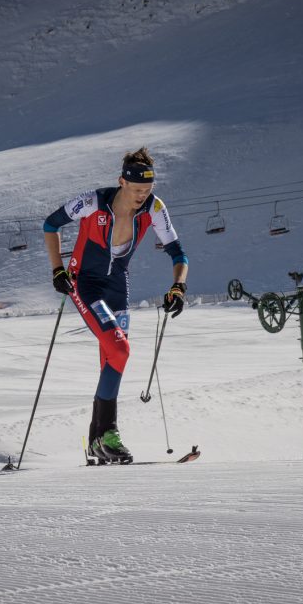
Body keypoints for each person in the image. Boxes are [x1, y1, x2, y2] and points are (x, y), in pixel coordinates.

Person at [42, 147, 189, 464]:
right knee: (120, 349)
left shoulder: (155, 207)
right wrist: (57, 269)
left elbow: (178, 254)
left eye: (147, 190)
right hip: (85, 284)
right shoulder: (92, 202)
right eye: (136, 189)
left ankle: (98, 441)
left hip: (117, 286)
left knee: (112, 359)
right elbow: (50, 225)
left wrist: (178, 285)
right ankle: (108, 433)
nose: (142, 196)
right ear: (122, 182)